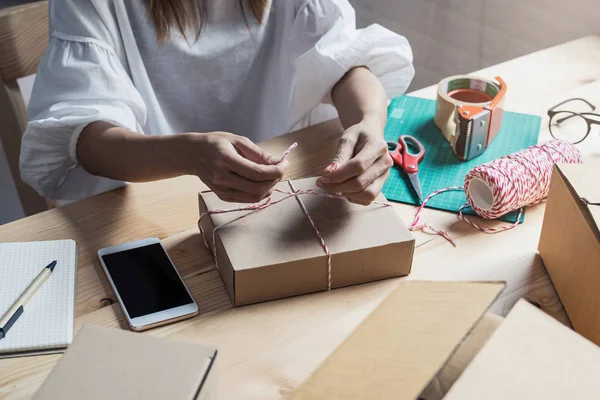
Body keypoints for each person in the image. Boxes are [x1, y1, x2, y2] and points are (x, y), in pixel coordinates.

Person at [21, 0, 414, 205]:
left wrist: (369, 124)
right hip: (146, 203)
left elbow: (343, 59)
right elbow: (86, 141)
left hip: (272, 199)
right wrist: (191, 155)